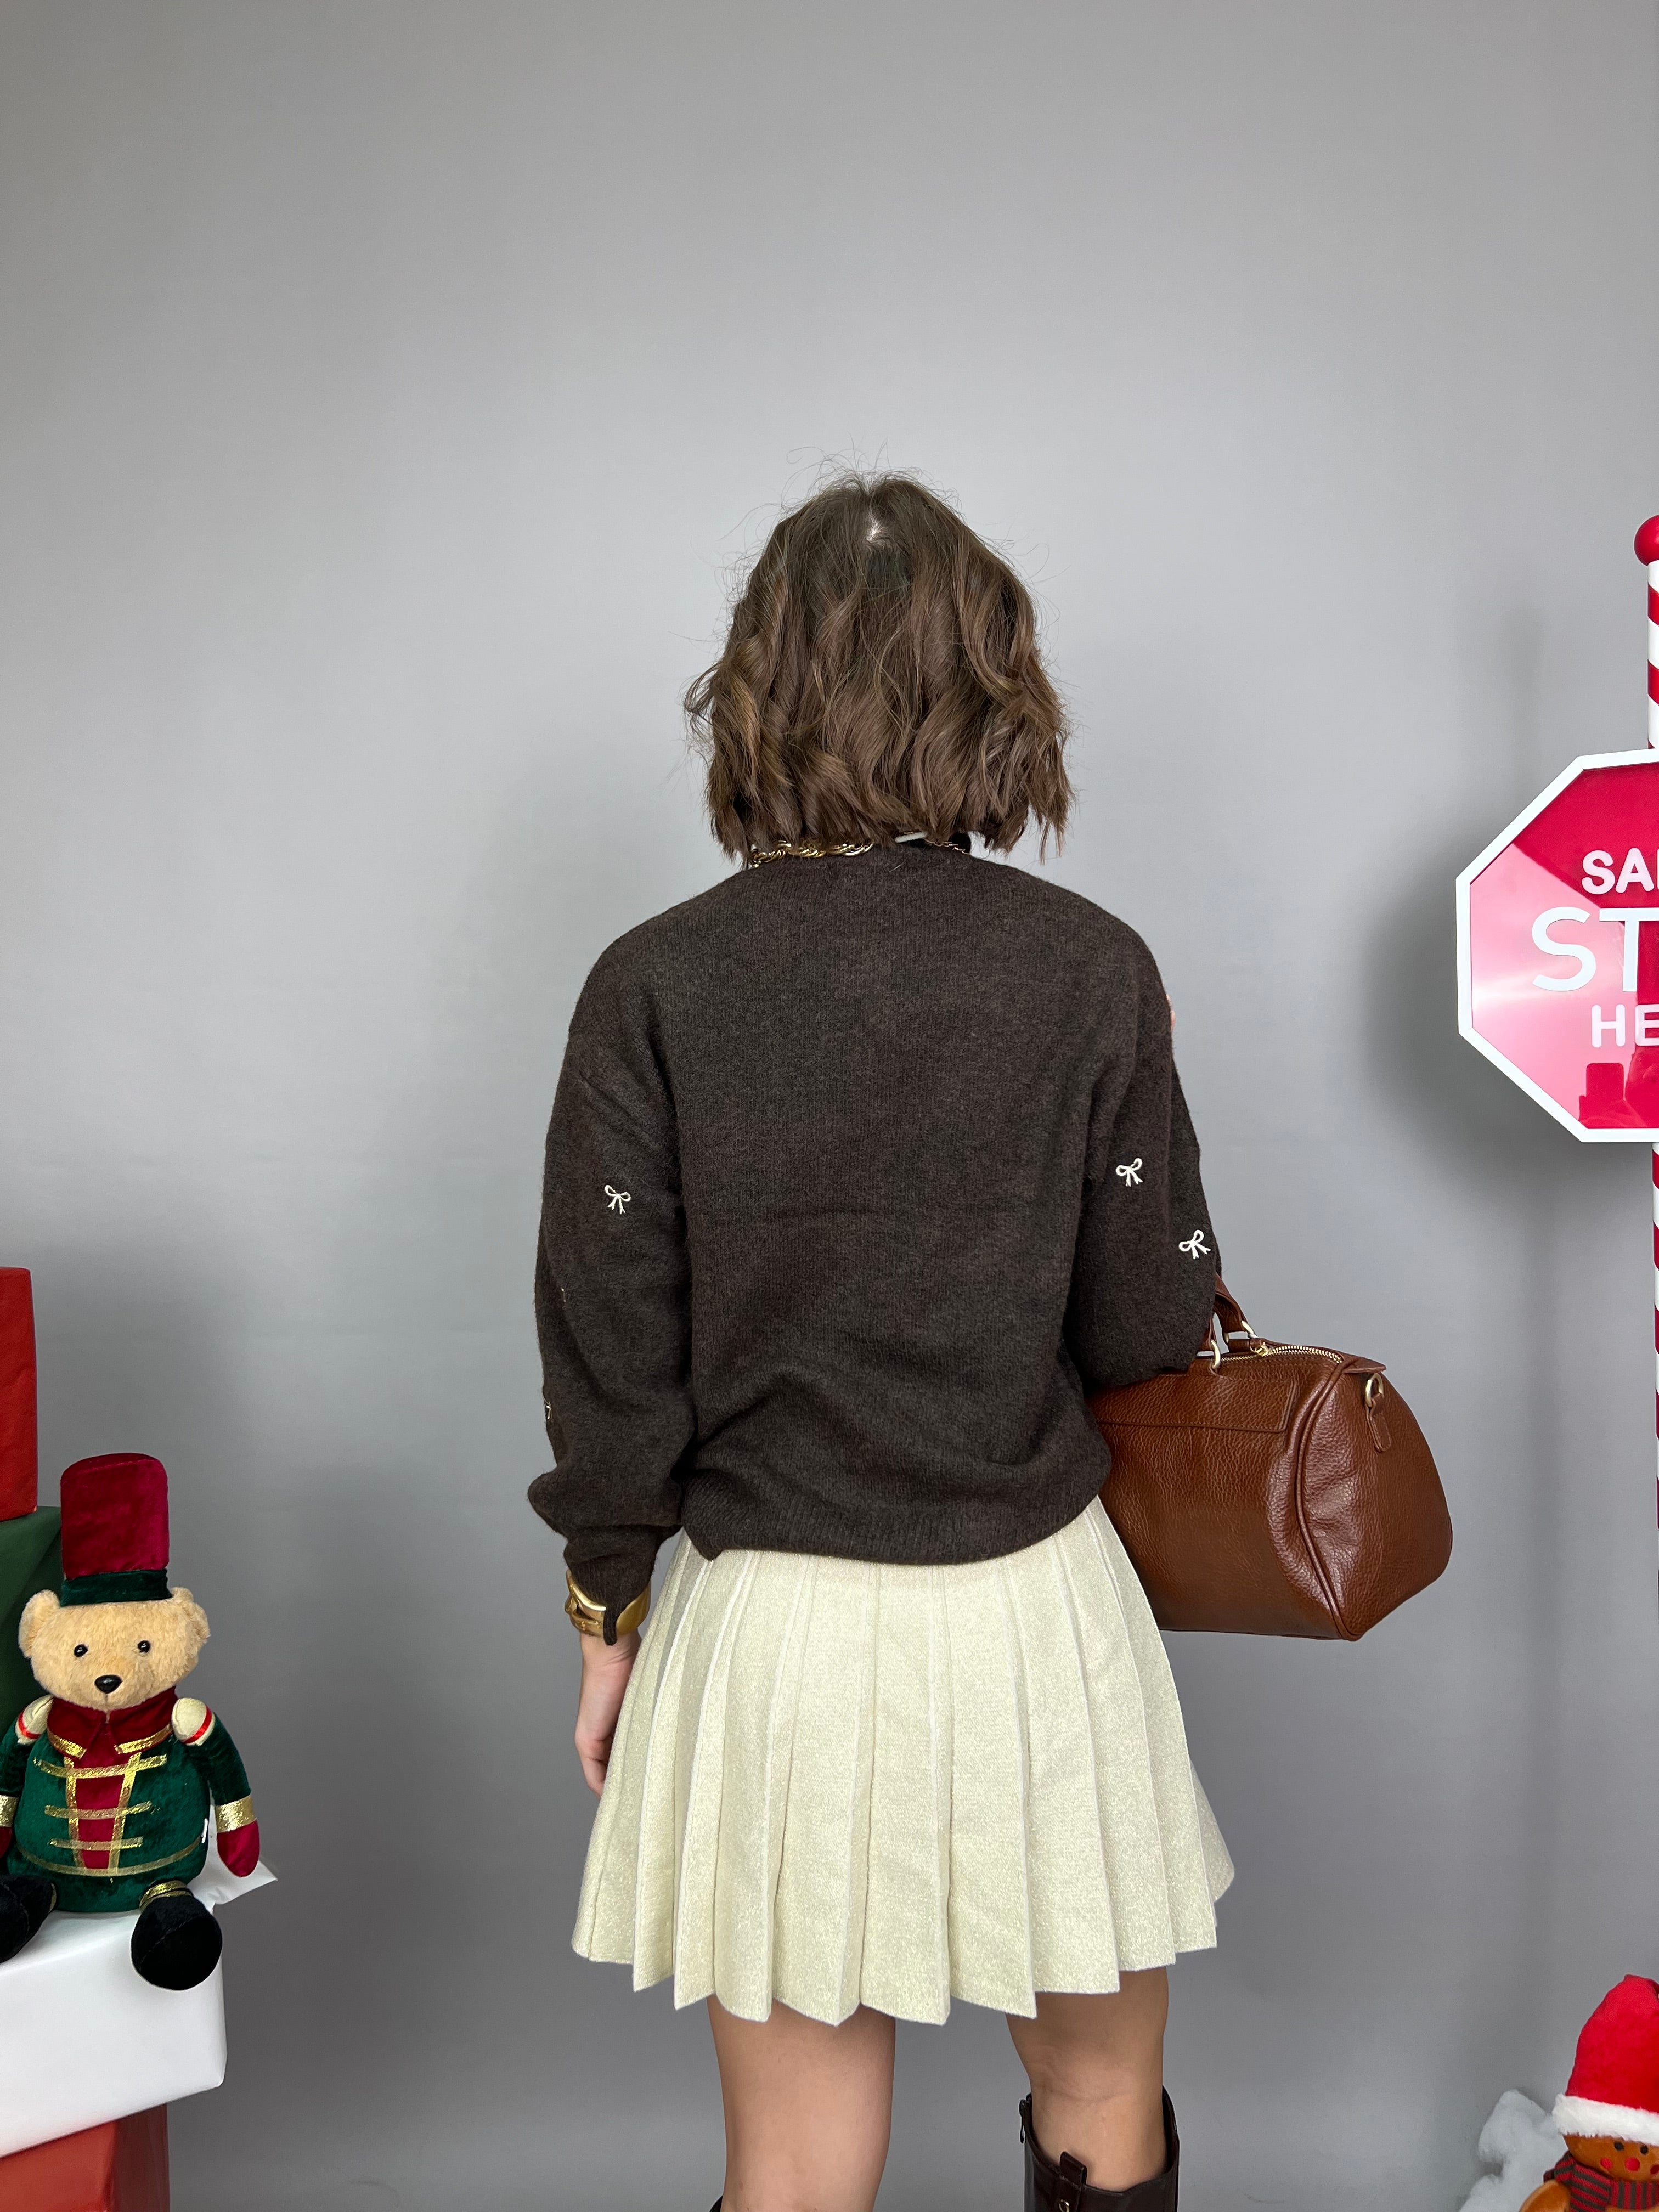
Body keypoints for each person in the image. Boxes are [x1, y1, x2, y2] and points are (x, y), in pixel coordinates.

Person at [531, 472, 1232, 2212]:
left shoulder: (654, 982)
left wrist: (610, 1614)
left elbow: (612, 1344)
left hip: (774, 1630)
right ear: (996, 688)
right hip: (1034, 1604)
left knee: (793, 2169)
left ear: (754, 689)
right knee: (1101, 2094)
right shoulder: (1090, 968)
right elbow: (1150, 1321)